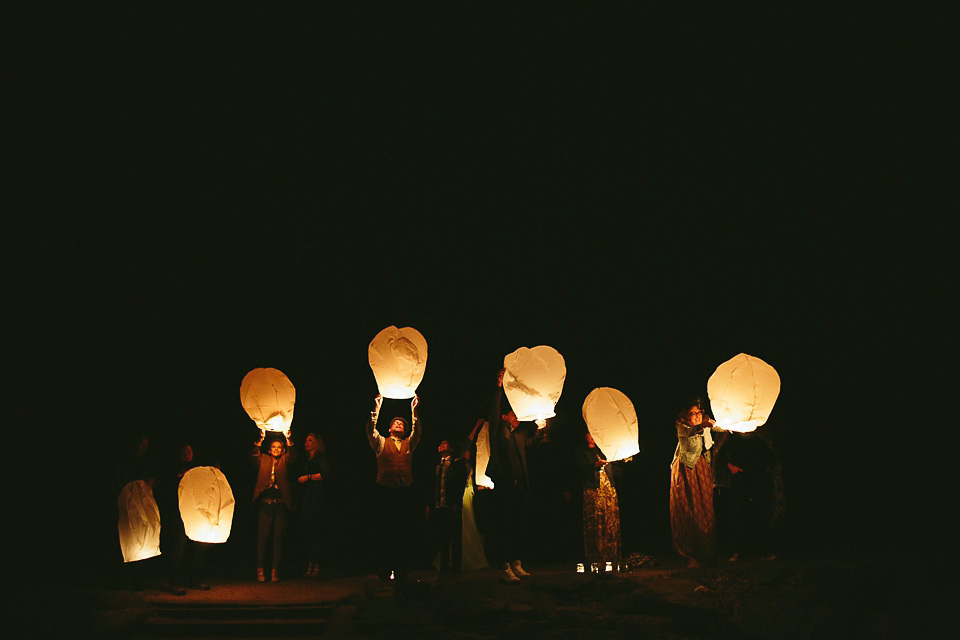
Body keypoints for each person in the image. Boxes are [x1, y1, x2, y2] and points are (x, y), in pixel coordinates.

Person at [486, 368, 547, 584]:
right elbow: (493, 411)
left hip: (521, 484)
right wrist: (498, 387)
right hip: (504, 483)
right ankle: (504, 565)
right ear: (505, 417)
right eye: (513, 414)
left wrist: (540, 430)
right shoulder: (498, 430)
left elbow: (532, 446)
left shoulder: (521, 434)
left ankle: (517, 562)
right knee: (506, 525)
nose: (517, 417)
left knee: (520, 524)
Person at [365, 394, 422, 585]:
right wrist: (377, 408)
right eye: (395, 422)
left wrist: (414, 411)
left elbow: (418, 430)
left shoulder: (409, 444)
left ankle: (402, 571)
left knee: (404, 533)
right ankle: (384, 571)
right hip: (385, 492)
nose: (399, 424)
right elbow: (369, 429)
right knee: (385, 533)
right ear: (389, 428)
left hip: (404, 492)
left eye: (402, 423)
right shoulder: (381, 442)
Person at [712, 423, 785, 561]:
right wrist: (730, 466)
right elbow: (721, 454)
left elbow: (771, 452)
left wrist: (765, 468)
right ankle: (739, 551)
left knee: (761, 513)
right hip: (739, 478)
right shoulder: (731, 431)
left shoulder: (761, 429)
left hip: (759, 477)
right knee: (739, 512)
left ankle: (761, 550)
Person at [669, 399, 723, 568]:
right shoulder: (682, 427)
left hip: (702, 466)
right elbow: (692, 433)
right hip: (687, 468)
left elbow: (719, 426)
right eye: (694, 414)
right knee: (690, 507)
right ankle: (690, 554)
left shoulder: (705, 425)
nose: (698, 416)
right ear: (686, 416)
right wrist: (704, 425)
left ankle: (706, 552)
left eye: (699, 413)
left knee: (705, 507)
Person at [164, 443, 210, 594]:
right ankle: (176, 582)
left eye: (189, 451)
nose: (186, 454)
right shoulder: (171, 469)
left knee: (200, 545)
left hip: (196, 513)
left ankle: (196, 579)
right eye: (183, 451)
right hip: (178, 514)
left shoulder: (198, 469)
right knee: (178, 546)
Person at [252, 428, 296, 582]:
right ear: (269, 450)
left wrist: (288, 437)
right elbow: (253, 455)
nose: (276, 449)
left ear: (282, 449)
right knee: (262, 538)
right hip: (265, 504)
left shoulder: (285, 460)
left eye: (279, 447)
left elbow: (292, 456)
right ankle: (260, 569)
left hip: (281, 505)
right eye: (274, 447)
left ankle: (274, 571)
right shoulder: (263, 458)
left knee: (278, 538)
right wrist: (260, 439)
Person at [576, 430, 622, 574]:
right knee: (595, 522)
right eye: (589, 433)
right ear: (585, 435)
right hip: (592, 490)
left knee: (610, 522)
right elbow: (580, 469)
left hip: (608, 490)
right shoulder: (582, 451)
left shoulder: (604, 450)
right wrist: (595, 465)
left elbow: (617, 470)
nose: (592, 437)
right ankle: (595, 559)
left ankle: (611, 558)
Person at [428, 439, 468, 575]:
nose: (441, 445)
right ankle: (444, 567)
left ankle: (457, 566)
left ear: (451, 449)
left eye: (445, 443)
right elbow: (432, 486)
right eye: (440, 444)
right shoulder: (436, 465)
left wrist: (457, 502)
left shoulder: (456, 463)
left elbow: (460, 484)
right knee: (442, 537)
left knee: (455, 537)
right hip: (439, 505)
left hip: (451, 505)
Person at [297, 432, 330, 578]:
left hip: (317, 495)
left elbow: (325, 475)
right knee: (307, 528)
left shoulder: (320, 457)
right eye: (306, 440)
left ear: (316, 442)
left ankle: (317, 565)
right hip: (308, 495)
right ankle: (310, 563)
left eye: (310, 440)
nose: (306, 443)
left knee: (316, 529)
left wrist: (308, 477)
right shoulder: (306, 458)